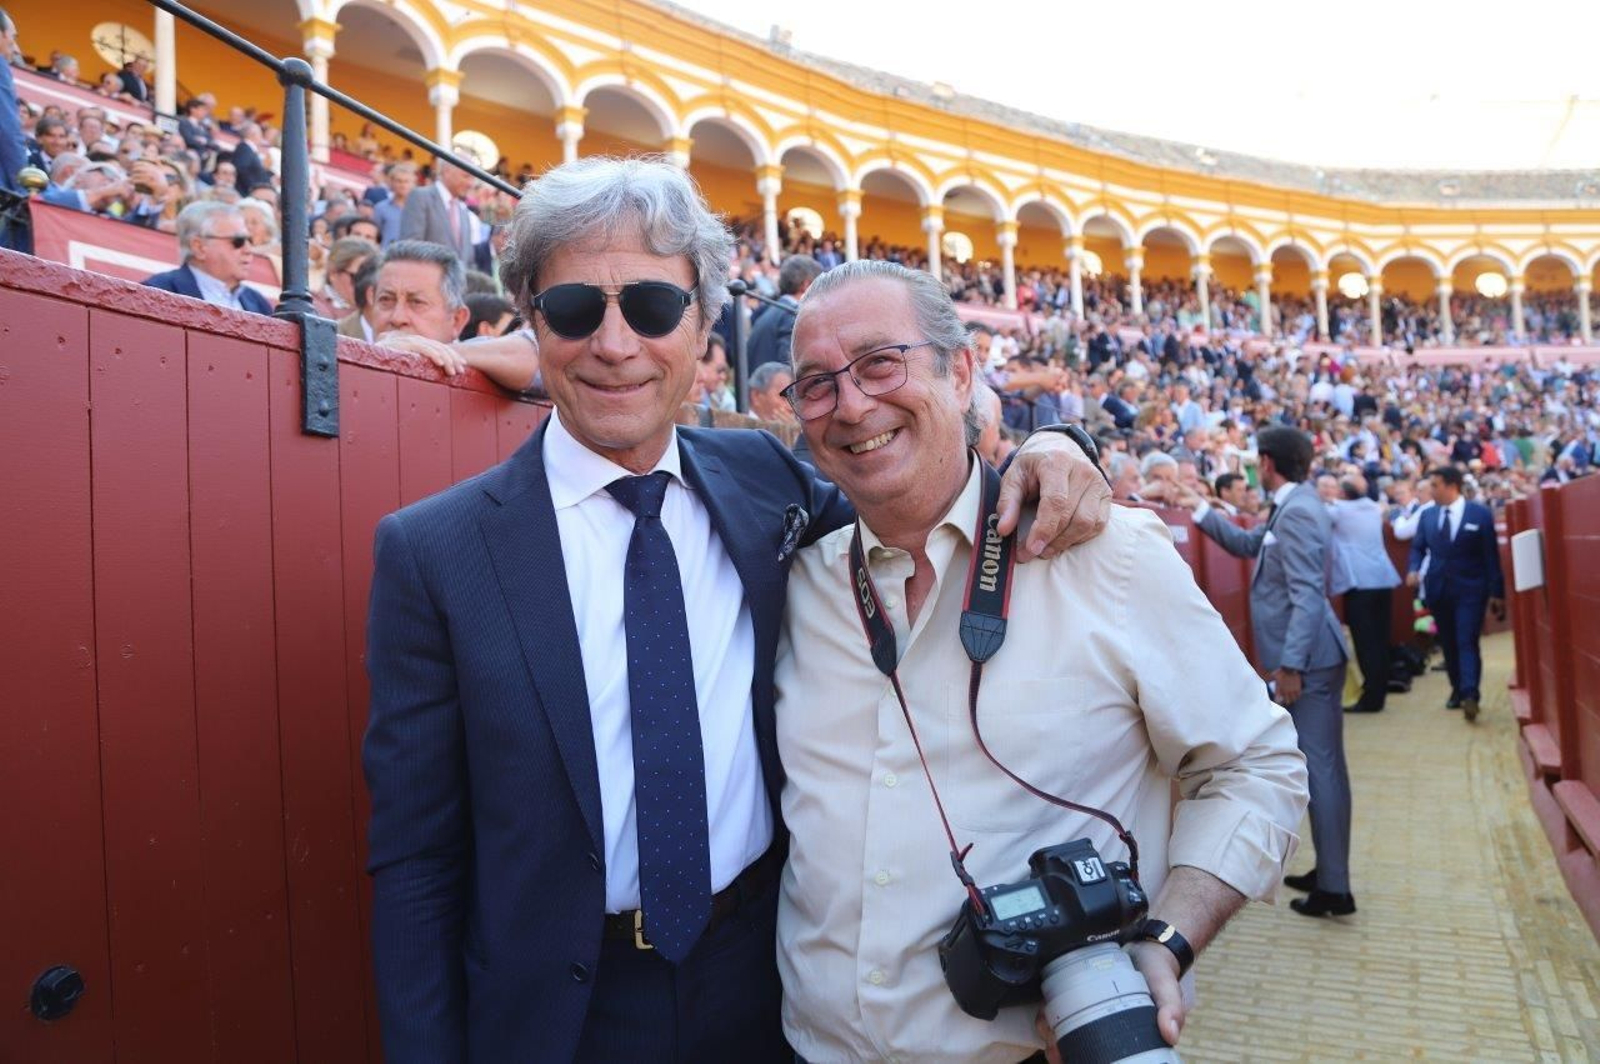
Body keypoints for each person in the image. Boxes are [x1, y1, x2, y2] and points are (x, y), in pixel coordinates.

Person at [362, 156, 1108, 1064]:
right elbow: (416, 864)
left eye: (649, 307)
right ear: (531, 321)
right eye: (572, 310)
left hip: (767, 985)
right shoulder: (433, 552)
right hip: (559, 1014)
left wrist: (1056, 443)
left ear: (703, 325)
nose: (614, 343)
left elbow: (924, 488)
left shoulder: (771, 484)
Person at [775, 260, 1308, 1062]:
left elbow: (1257, 766)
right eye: (815, 384)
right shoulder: (797, 580)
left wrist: (1167, 939)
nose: (851, 405)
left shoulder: (1109, 554)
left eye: (882, 363)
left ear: (960, 372)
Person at [1185, 426, 1354, 918]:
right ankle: (1329, 872)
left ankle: (1336, 888)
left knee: (1321, 768)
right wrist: (1197, 507)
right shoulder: (1293, 503)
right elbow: (1247, 544)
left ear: (1266, 461)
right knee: (1320, 767)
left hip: (1310, 660)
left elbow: (1305, 594)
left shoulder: (1297, 509)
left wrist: (1291, 666)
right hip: (1312, 655)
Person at [1406, 464, 1505, 722]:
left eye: (1435, 486)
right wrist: (1414, 569)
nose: (1431, 491)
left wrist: (1497, 592)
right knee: (1449, 642)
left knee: (1466, 639)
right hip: (1439, 589)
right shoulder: (1428, 516)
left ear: (1452, 486)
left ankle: (1470, 693)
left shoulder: (1479, 514)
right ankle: (1457, 689)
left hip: (1471, 590)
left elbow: (1490, 557)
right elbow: (1418, 548)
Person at [1327, 474, 1401, 714]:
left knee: (1367, 643)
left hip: (1359, 582)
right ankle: (1378, 693)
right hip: (1383, 578)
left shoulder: (1337, 510)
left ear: (1343, 494)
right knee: (1379, 640)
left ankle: (1372, 698)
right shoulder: (1373, 507)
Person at [142, 201, 273, 315]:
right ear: (199, 247)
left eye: (249, 240)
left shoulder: (259, 304)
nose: (248, 250)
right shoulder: (157, 293)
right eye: (238, 241)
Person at [746, 253, 821, 368]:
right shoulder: (792, 315)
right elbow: (788, 371)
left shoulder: (771, 310)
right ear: (806, 285)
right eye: (819, 286)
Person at [400, 158, 476, 261]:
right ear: (446, 171)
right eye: (466, 176)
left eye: (473, 178)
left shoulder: (463, 211)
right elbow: (411, 247)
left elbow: (468, 259)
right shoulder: (421, 197)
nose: (470, 184)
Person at [746, 360, 794, 424]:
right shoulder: (737, 427)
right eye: (783, 398)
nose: (791, 408)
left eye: (794, 399)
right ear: (756, 396)